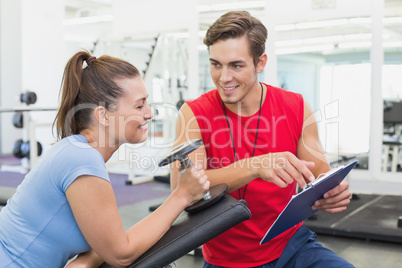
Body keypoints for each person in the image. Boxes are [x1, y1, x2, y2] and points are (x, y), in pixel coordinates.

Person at [171, 11, 353, 268]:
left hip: (290, 245)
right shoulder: (193, 113)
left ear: (260, 62)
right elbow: (186, 191)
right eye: (216, 64)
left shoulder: (297, 106)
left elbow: (319, 173)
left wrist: (333, 190)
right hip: (228, 258)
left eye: (236, 65)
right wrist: (255, 166)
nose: (224, 78)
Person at [0, 51, 210, 267]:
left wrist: (87, 260)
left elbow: (109, 243)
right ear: (103, 116)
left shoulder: (78, 152)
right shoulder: (81, 159)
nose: (149, 114)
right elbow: (121, 254)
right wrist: (182, 195)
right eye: (139, 105)